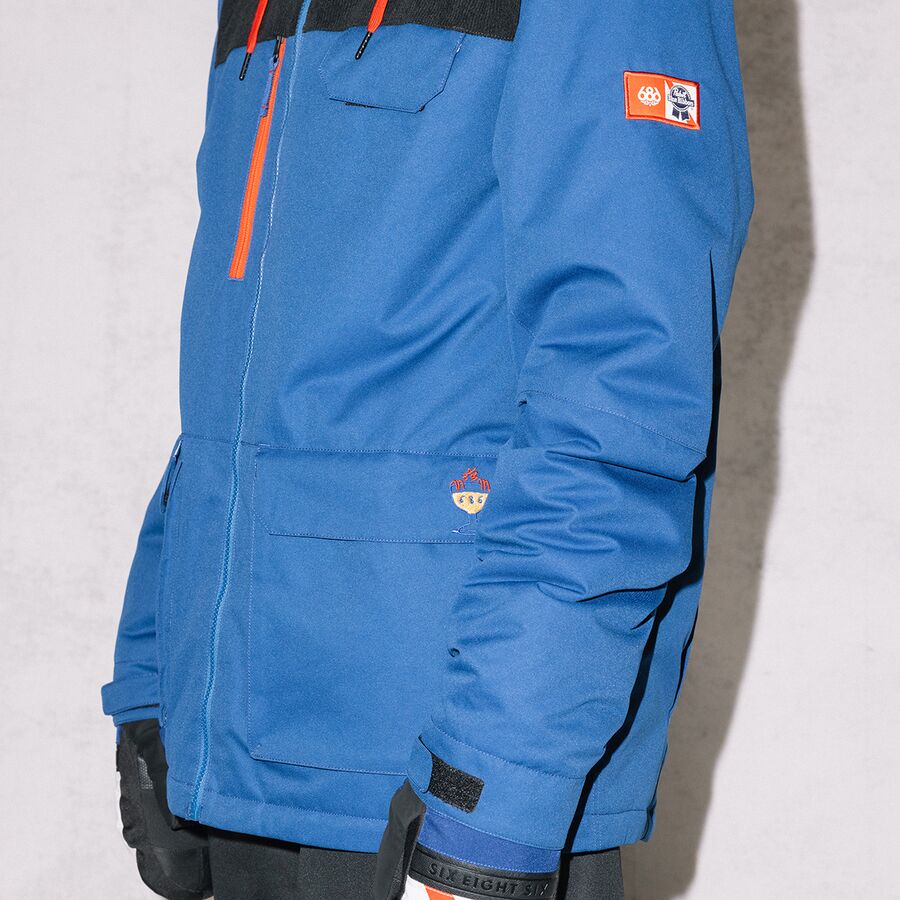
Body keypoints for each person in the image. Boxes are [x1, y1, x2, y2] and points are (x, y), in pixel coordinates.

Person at [102, 0, 753, 897]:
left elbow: (623, 395)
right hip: (238, 766)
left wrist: (493, 797)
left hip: (434, 787)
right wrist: (154, 681)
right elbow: (242, 383)